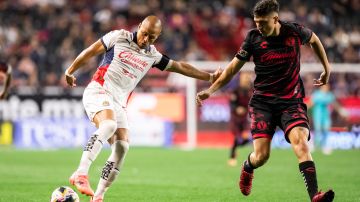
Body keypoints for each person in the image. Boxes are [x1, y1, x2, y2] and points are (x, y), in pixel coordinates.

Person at [64, 15, 221, 202]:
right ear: (139, 26)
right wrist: (70, 71)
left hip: (119, 103)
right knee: (108, 126)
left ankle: (98, 196)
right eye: (144, 34)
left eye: (152, 37)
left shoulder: (152, 55)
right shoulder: (119, 36)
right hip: (99, 89)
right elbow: (91, 51)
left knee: (122, 147)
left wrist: (209, 78)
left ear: (158, 36)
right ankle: (81, 173)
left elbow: (180, 67)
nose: (145, 39)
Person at [196, 0, 334, 201]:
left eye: (263, 22)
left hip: (291, 101)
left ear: (275, 19)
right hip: (263, 103)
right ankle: (248, 166)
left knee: (301, 143)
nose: (258, 26)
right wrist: (211, 90)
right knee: (261, 157)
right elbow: (232, 68)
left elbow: (314, 40)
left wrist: (327, 69)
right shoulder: (252, 38)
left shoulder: (295, 32)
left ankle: (315, 196)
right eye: (256, 21)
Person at [228, 72, 252, 167]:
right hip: (236, 119)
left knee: (247, 139)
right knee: (237, 138)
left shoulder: (251, 91)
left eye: (247, 77)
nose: (246, 79)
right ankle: (232, 157)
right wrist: (237, 108)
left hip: (245, 119)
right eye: (244, 78)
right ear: (241, 79)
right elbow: (232, 104)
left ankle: (233, 154)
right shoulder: (236, 91)